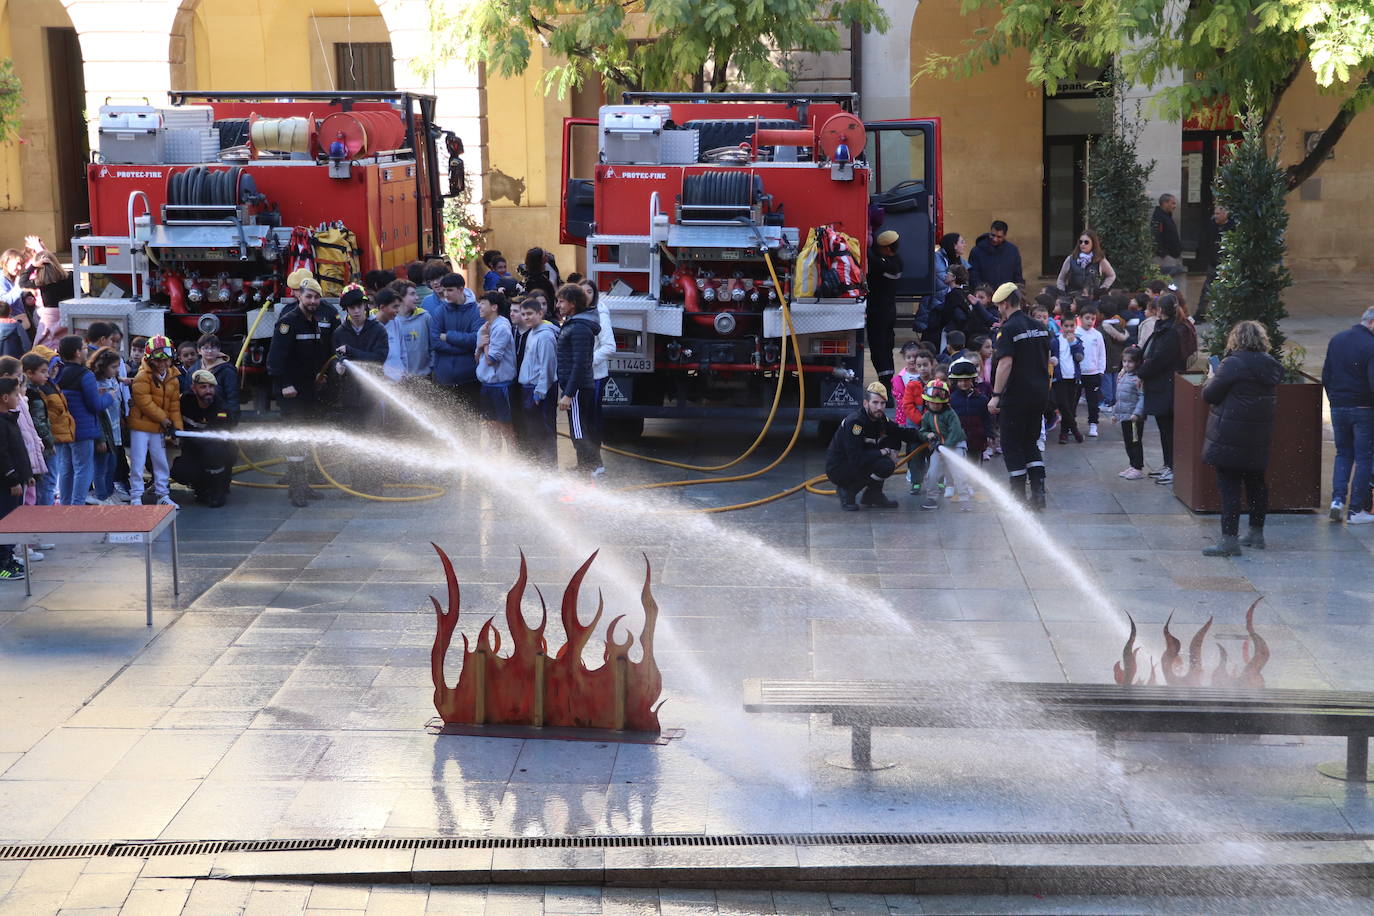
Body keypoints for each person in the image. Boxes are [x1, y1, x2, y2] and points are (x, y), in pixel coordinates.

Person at [1200, 321, 1284, 555]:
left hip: (1231, 436)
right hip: (1258, 436)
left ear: (1236, 339)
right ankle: (1256, 534)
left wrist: (1211, 376)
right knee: (1257, 483)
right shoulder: (1270, 365)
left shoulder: (1232, 363)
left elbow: (1210, 395)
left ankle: (1229, 541)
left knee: (1229, 486)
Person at [267, 268, 339, 507]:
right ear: (299, 297)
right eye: (308, 296)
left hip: (310, 390)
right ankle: (296, 489)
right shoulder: (288, 323)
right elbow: (275, 361)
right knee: (296, 439)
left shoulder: (316, 321)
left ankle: (304, 485)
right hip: (292, 393)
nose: (313, 301)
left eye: (316, 297)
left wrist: (323, 376)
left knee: (307, 436)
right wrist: (285, 384)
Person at [987, 283, 1052, 510]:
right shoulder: (1040, 326)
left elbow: (1005, 364)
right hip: (1040, 393)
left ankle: (1018, 496)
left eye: (998, 306)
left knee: (1011, 443)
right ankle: (1038, 492)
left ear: (1005, 303)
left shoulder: (1009, 330)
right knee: (1030, 441)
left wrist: (995, 395)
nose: (998, 310)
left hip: (1017, 395)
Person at [1321, 307, 1374, 524]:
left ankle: (1337, 501)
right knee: (1364, 458)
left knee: (1343, 454)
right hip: (1363, 409)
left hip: (1338, 406)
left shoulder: (1337, 339)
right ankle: (1355, 511)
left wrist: (1334, 400)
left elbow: (1326, 374)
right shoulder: (1371, 346)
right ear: (1372, 322)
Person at [55, 335, 113, 506]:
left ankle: (65, 506)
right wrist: (109, 397)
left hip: (64, 429)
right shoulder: (85, 374)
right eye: (85, 348)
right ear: (77, 352)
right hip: (83, 429)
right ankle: (77, 506)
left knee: (66, 468)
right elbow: (95, 405)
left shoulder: (58, 372)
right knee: (83, 469)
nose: (87, 351)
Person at [127, 336, 183, 509]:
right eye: (158, 360)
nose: (162, 364)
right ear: (150, 359)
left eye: (166, 360)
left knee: (161, 462)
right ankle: (136, 496)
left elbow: (174, 406)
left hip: (158, 429)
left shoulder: (173, 378)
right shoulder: (142, 376)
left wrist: (177, 430)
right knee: (138, 462)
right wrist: (165, 420)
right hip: (141, 427)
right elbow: (144, 402)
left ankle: (163, 495)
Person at [1135, 294, 1185, 485]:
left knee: (1168, 428)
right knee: (1163, 428)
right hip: (1159, 385)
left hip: (1166, 385)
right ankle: (1167, 464)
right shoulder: (1163, 327)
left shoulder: (1171, 331)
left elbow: (1160, 359)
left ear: (1160, 310)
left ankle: (1173, 467)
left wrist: (1141, 373)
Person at [172, 369, 237, 508]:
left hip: (218, 451)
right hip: (193, 450)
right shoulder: (184, 402)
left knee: (213, 453)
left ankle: (218, 489)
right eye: (203, 387)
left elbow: (220, 437)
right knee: (180, 471)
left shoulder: (221, 409)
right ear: (193, 388)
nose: (208, 391)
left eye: (211, 387)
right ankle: (200, 487)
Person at [554, 284, 601, 475]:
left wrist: (569, 394)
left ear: (572, 304)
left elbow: (580, 363)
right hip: (577, 387)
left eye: (561, 301)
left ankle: (587, 468)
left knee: (578, 431)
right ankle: (589, 467)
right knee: (580, 429)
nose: (558, 305)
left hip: (578, 388)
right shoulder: (574, 323)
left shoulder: (579, 327)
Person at [430, 273, 483, 416]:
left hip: (469, 377)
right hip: (444, 377)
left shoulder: (477, 311)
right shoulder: (439, 311)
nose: (445, 294)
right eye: (444, 290)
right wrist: (464, 348)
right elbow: (435, 342)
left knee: (472, 420)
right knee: (447, 421)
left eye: (450, 290)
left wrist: (448, 336)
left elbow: (475, 340)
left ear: (461, 289)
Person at [518, 296, 559, 463]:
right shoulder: (533, 332)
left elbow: (548, 367)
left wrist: (540, 392)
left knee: (544, 428)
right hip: (528, 387)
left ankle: (548, 465)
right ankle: (539, 463)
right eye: (524, 314)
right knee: (533, 429)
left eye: (530, 313)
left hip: (539, 389)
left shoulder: (545, 337)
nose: (526, 317)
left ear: (540, 313)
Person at [0, 377, 32, 580]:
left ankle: (8, 557)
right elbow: (2, 455)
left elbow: (18, 451)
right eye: (15, 394)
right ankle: (2, 563)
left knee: (13, 520)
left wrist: (27, 475)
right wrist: (12, 479)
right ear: (4, 398)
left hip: (16, 482)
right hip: (6, 485)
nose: (18, 398)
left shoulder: (9, 419)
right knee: (5, 522)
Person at [917, 378, 966, 510]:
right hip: (939, 448)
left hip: (955, 446)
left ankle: (965, 499)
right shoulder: (926, 416)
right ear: (927, 401)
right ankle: (932, 499)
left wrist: (946, 447)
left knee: (958, 472)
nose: (936, 405)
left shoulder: (950, 414)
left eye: (939, 403)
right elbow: (922, 431)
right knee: (932, 473)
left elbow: (955, 432)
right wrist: (928, 435)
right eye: (932, 402)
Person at [583, 279, 616, 472]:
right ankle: (586, 461)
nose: (585, 294)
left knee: (592, 420)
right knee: (583, 421)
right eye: (582, 291)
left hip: (595, 376)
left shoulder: (600, 314)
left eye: (589, 291)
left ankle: (596, 462)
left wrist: (588, 362)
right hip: (581, 376)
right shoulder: (577, 313)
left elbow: (609, 346)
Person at [476, 291, 517, 448]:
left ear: (494, 307)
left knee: (505, 425)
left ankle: (514, 459)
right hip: (487, 384)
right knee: (490, 423)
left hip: (501, 385)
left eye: (483, 303)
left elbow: (492, 359)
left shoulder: (501, 327)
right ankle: (494, 456)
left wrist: (485, 344)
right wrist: (481, 346)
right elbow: (477, 358)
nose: (479, 306)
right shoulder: (484, 328)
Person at [23, 352, 64, 507]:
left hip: (39, 444)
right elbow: (38, 422)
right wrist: (49, 442)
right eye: (43, 372)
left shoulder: (34, 391)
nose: (47, 375)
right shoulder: (31, 394)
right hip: (43, 446)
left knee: (44, 483)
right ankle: (45, 515)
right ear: (29, 373)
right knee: (48, 482)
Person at [866, 229, 903, 392]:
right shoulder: (896, 260)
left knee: (879, 347)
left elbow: (873, 261)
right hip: (888, 311)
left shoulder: (885, 264)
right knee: (886, 346)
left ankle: (886, 383)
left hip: (879, 312)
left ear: (887, 248)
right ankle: (888, 381)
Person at [88, 347, 124, 504]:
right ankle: (101, 496)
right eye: (113, 367)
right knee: (102, 466)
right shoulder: (95, 384)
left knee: (112, 465)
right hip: (103, 432)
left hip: (114, 431)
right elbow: (97, 410)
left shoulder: (112, 380)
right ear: (102, 367)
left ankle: (109, 493)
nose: (116, 371)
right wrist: (100, 438)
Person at [377, 286, 432, 385]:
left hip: (400, 381)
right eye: (394, 307)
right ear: (382, 307)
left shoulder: (396, 322)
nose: (398, 310)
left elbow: (403, 352)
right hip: (383, 383)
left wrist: (404, 372)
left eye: (398, 306)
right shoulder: (371, 326)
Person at [948, 356, 989, 486]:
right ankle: (959, 487)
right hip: (957, 440)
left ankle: (975, 487)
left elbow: (987, 418)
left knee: (975, 464)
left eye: (967, 380)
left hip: (977, 439)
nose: (963, 383)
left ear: (973, 379)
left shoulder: (982, 399)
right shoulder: (951, 400)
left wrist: (990, 434)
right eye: (960, 380)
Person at [1113, 346, 1146, 480]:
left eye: (1130, 362)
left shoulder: (1137, 378)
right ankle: (1132, 465)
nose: (1126, 364)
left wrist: (1137, 414)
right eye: (1124, 361)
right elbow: (1119, 397)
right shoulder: (1124, 375)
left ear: (1137, 362)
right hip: (1125, 416)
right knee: (1128, 442)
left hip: (1134, 418)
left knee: (1135, 442)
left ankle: (1138, 467)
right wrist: (1115, 413)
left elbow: (1142, 397)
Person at [1196, 204, 1233, 321]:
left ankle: (1225, 315)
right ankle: (1200, 313)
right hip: (1213, 262)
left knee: (1227, 291)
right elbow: (1205, 241)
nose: (1215, 216)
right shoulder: (1211, 225)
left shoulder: (1232, 226)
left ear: (1225, 214)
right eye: (1215, 213)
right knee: (1207, 289)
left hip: (1227, 264)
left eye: (1218, 214)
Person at [1051, 317, 1085, 445]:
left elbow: (1080, 357)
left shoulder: (1078, 341)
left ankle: (1064, 433)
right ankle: (1075, 430)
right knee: (1063, 405)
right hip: (1060, 378)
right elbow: (1051, 355)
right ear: (1062, 326)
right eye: (1067, 326)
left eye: (1072, 326)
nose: (1069, 329)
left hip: (1073, 378)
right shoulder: (1055, 341)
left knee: (1070, 407)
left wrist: (1073, 344)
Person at [1075, 305, 1107, 437]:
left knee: (1093, 401)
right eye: (1087, 318)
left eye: (1093, 319)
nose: (1090, 321)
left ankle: (1093, 424)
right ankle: (1071, 424)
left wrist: (1101, 370)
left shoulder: (1097, 335)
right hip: (1077, 373)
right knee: (1073, 400)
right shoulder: (1075, 333)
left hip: (1093, 373)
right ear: (1080, 318)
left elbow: (1102, 354)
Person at [1056, 230, 1117, 298]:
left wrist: (1102, 289)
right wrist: (1062, 292)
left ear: (1093, 244)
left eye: (1086, 242)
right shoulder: (1071, 259)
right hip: (1072, 297)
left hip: (1092, 299)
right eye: (1080, 242)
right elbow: (1061, 279)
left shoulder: (1100, 260)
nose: (1083, 244)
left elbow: (1111, 275)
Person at [968, 220, 1024, 291]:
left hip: (1006, 296)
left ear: (1005, 236)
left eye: (999, 237)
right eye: (993, 235)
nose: (995, 239)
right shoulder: (977, 251)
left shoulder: (1013, 251)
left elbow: (1017, 275)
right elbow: (973, 275)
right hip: (985, 296)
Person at [195, 334, 241, 421]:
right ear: (199, 351)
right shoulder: (194, 369)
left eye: (213, 348)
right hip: (198, 414)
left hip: (221, 414)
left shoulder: (227, 371)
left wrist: (232, 417)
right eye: (205, 348)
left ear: (219, 349)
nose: (209, 351)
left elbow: (233, 396)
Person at [1151, 193, 1187, 300]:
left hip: (1172, 255)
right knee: (1169, 283)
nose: (1174, 206)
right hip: (1166, 257)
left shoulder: (1166, 217)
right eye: (1173, 203)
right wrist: (1164, 253)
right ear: (1165, 203)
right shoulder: (1159, 218)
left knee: (1174, 281)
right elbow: (1156, 236)